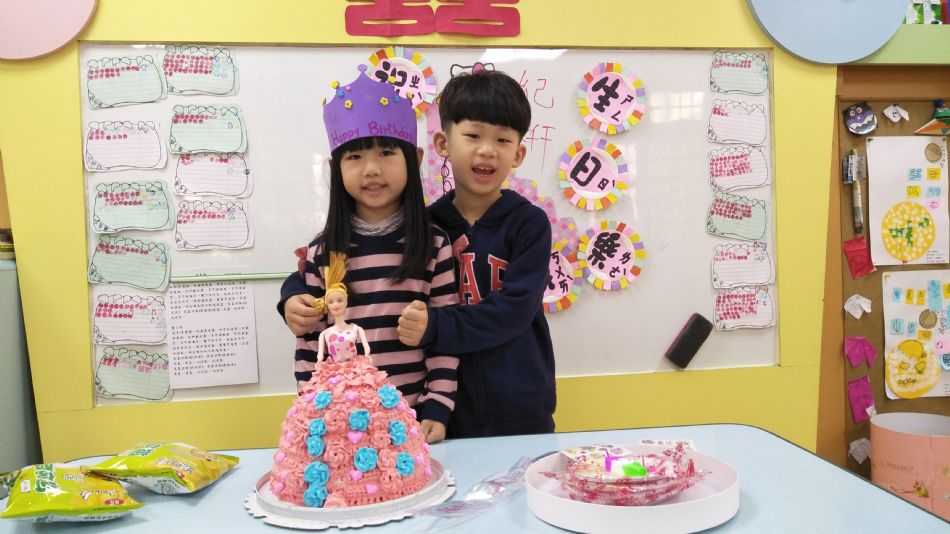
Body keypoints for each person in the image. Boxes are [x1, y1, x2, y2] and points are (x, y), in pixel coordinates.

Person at [278, 65, 459, 444]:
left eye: (387, 152)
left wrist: (437, 408)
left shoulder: (434, 246)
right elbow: (310, 345)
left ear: (415, 159)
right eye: (355, 156)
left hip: (411, 425)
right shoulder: (323, 253)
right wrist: (313, 410)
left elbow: (445, 335)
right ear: (335, 168)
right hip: (343, 430)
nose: (372, 169)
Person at [397, 67, 556, 438]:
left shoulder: (529, 224)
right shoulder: (425, 226)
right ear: (442, 143)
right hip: (445, 412)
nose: (487, 150)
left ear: (518, 154)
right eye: (473, 135)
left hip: (523, 409)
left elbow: (514, 313)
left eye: (503, 140)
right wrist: (296, 291)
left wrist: (435, 327)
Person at [313, 252, 370, 363]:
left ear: (346, 302)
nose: (335, 305)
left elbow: (366, 348)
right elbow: (320, 356)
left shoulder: (356, 329)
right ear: (326, 304)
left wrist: (367, 356)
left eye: (339, 300)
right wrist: (320, 362)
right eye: (331, 302)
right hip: (334, 370)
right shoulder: (325, 333)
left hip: (355, 368)